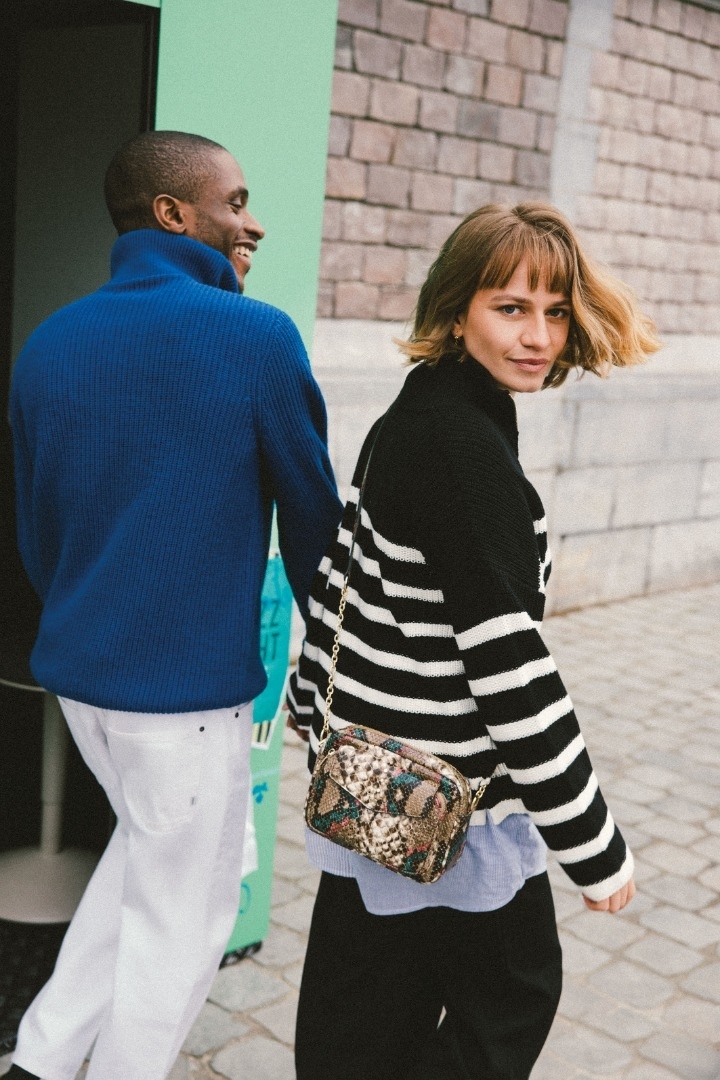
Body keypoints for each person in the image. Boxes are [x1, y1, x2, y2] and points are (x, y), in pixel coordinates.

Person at [286, 202, 659, 1080]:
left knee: (364, 1008)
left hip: (373, 781)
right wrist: (592, 845)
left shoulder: (419, 413)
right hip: (448, 804)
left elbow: (341, 582)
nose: (539, 337)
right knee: (514, 994)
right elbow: (513, 672)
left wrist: (311, 709)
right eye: (511, 307)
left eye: (556, 311)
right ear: (458, 311)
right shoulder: (461, 446)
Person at [8, 130, 342, 1080]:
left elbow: (37, 531)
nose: (253, 222)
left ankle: (41, 1061)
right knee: (184, 919)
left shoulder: (50, 341)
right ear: (172, 214)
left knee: (146, 864)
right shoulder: (255, 336)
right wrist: (344, 669)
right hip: (181, 701)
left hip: (83, 685)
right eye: (234, 203)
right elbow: (317, 531)